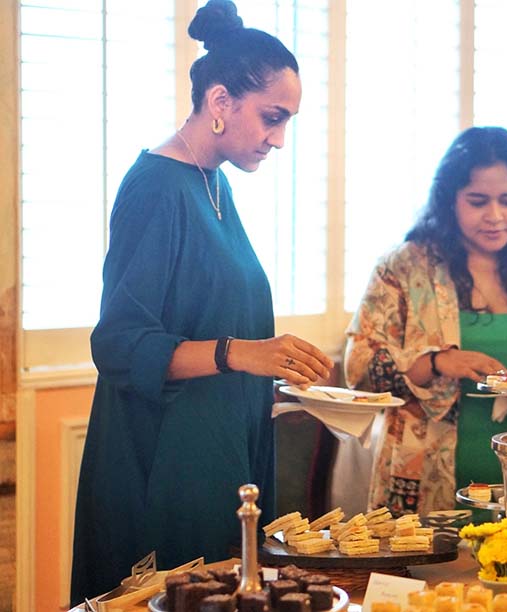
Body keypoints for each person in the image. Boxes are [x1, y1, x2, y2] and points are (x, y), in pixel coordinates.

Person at [70, 0, 333, 603]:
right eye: (272, 117)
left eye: (288, 121)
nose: (279, 139)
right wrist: (244, 355)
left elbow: (213, 324)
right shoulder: (157, 188)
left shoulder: (213, 183)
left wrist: (283, 377)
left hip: (219, 456)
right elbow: (119, 344)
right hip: (163, 466)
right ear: (220, 103)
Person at [343, 127, 507, 517]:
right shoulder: (406, 268)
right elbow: (358, 366)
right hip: (423, 480)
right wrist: (439, 362)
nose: (495, 216)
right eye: (477, 201)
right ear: (450, 201)